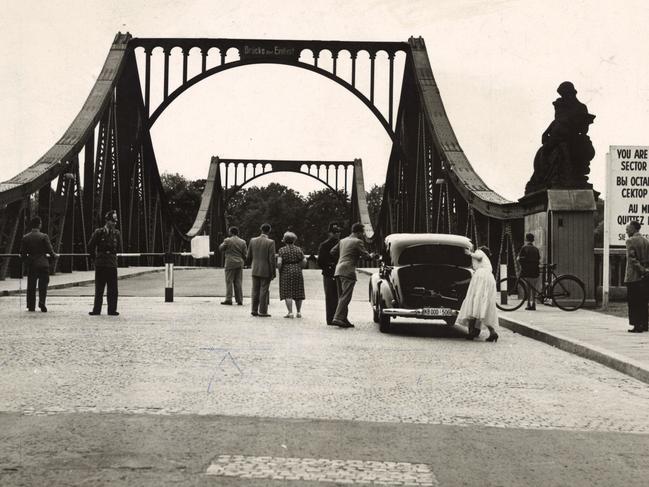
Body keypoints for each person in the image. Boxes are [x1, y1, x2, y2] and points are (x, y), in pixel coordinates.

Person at [330, 222, 375, 328]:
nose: (363, 235)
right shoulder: (358, 242)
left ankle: (344, 320)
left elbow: (332, 252)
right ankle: (337, 318)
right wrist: (372, 255)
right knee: (346, 297)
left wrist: (344, 257)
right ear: (359, 232)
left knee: (341, 296)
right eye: (362, 233)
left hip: (338, 270)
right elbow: (366, 257)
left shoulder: (342, 240)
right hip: (348, 271)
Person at [458, 246, 499, 342]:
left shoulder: (479, 252)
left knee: (473, 303)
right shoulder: (486, 262)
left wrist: (470, 253)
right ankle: (492, 332)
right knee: (482, 305)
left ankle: (471, 332)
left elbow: (479, 257)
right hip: (488, 278)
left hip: (480, 277)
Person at [87, 210, 122, 316]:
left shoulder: (116, 233)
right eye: (113, 221)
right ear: (107, 221)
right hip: (101, 264)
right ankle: (96, 310)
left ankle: (112, 310)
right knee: (99, 289)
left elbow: (119, 248)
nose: (114, 224)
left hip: (111, 264)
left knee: (113, 289)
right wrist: (95, 259)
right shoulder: (99, 232)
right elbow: (90, 246)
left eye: (115, 222)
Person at [19, 216, 56, 312]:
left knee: (31, 286)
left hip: (32, 265)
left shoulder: (26, 237)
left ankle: (31, 306)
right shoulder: (44, 236)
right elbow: (50, 251)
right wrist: (53, 258)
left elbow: (22, 254)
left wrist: (27, 261)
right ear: (39, 224)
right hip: (44, 264)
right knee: (43, 285)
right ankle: (42, 302)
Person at [624, 220, 649, 333]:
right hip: (645, 277)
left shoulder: (630, 241)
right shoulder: (646, 241)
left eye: (628, 228)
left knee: (633, 301)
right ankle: (645, 324)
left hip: (634, 277)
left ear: (634, 228)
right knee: (643, 301)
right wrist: (646, 270)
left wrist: (641, 270)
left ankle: (637, 325)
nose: (626, 230)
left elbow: (632, 260)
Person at [247, 223, 276, 317]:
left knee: (255, 290)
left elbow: (249, 256)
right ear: (269, 231)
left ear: (261, 229)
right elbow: (272, 259)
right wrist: (273, 272)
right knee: (264, 290)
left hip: (255, 268)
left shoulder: (252, 240)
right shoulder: (270, 242)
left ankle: (254, 310)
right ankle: (263, 311)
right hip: (265, 270)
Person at [277, 231, 306, 318]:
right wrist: (301, 267)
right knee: (298, 291)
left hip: (286, 270)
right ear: (294, 240)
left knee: (287, 292)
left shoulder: (282, 250)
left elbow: (279, 262)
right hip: (297, 270)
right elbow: (304, 260)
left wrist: (280, 270)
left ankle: (290, 312)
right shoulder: (298, 249)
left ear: (285, 240)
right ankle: (299, 312)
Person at [317, 222, 341, 326]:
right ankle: (332, 318)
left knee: (337, 296)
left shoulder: (340, 243)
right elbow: (321, 261)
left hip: (333, 272)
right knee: (332, 296)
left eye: (338, 232)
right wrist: (329, 266)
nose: (337, 234)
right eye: (334, 232)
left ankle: (336, 317)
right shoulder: (325, 245)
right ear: (330, 233)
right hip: (330, 272)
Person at [219, 226, 247, 305]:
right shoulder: (243, 242)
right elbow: (245, 254)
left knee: (229, 281)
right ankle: (239, 300)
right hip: (239, 263)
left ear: (231, 232)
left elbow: (221, 248)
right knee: (238, 282)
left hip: (230, 263)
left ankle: (228, 299)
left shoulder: (227, 240)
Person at [518, 233, 541, 310]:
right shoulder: (536, 249)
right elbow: (538, 258)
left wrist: (518, 259)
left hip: (527, 271)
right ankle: (534, 303)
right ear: (533, 240)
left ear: (526, 239)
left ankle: (528, 304)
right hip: (535, 271)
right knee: (534, 288)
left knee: (528, 288)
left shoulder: (524, 248)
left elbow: (520, 258)